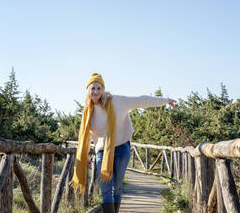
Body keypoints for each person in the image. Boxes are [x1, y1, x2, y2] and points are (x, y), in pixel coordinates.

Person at [69, 73, 176, 213]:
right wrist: (85, 157)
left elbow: (141, 100)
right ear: (88, 90)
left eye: (98, 88)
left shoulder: (117, 101)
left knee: (117, 188)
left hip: (121, 149)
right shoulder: (88, 112)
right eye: (92, 88)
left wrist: (165, 100)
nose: (95, 91)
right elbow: (86, 136)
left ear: (103, 89)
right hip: (102, 152)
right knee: (106, 190)